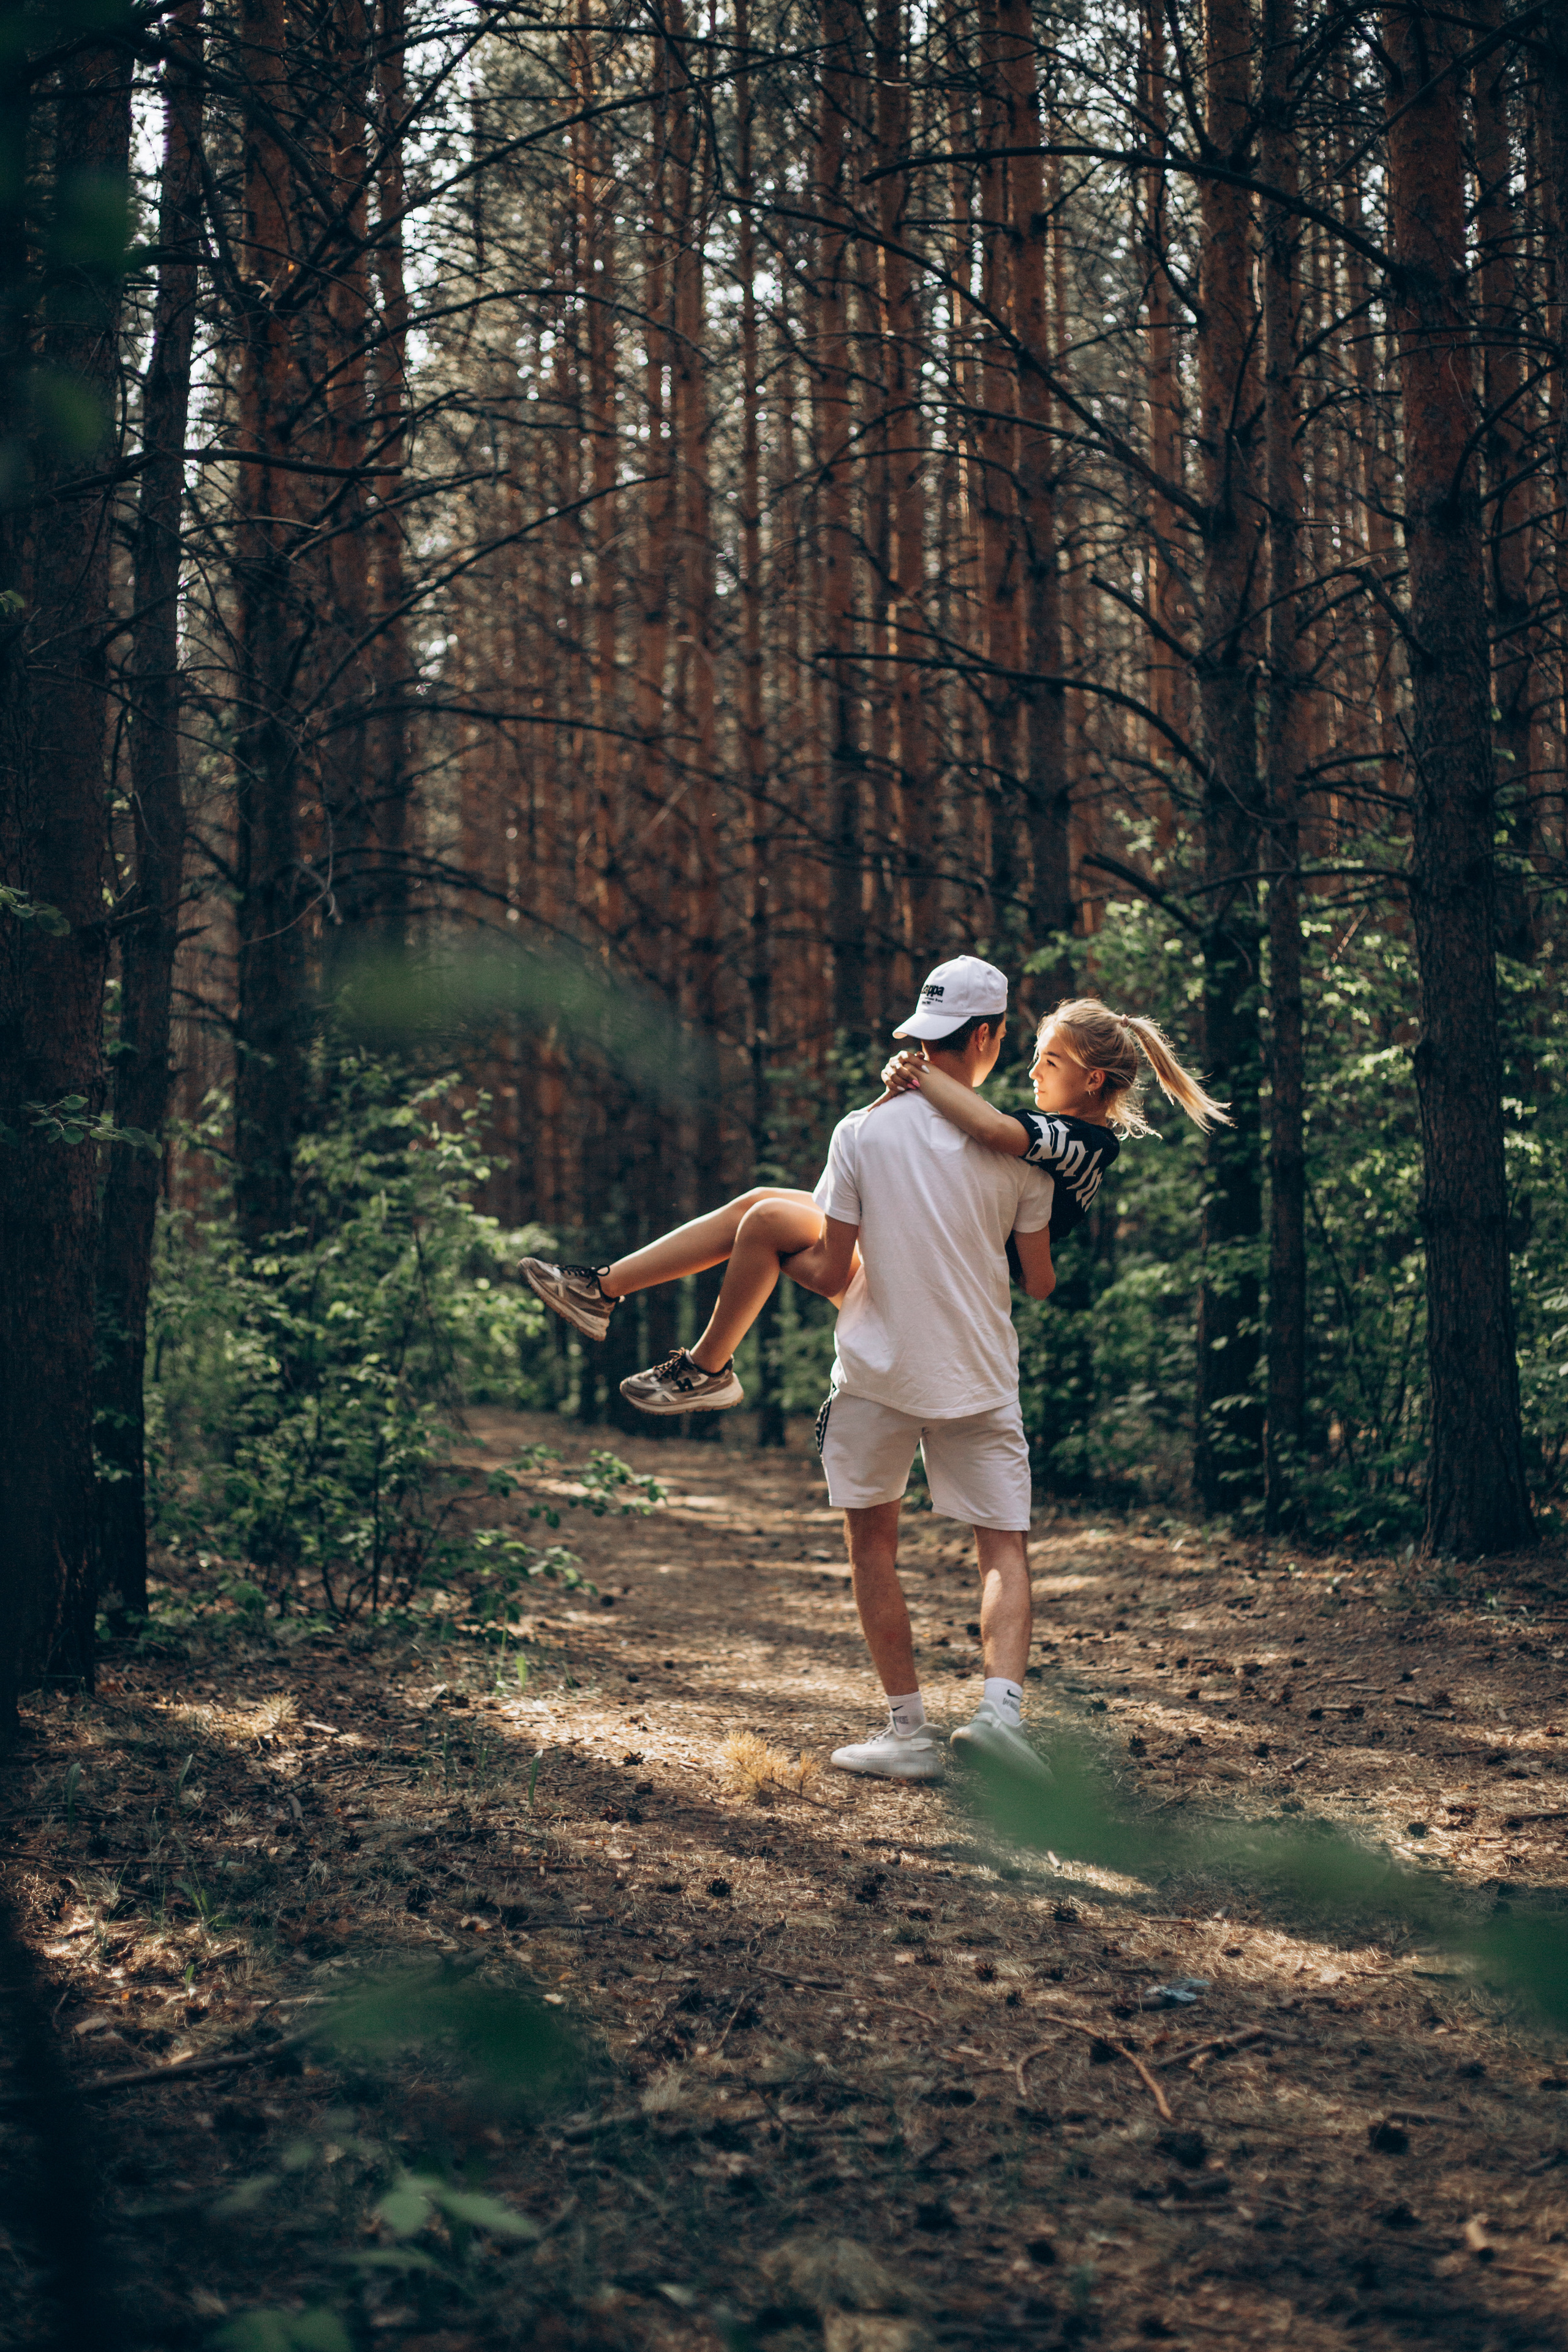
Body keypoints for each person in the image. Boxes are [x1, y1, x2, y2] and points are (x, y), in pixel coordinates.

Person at [517, 972, 1140, 1419]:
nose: (1032, 1072)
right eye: (1031, 1054)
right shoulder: (1051, 1132)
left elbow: (990, 1131)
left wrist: (916, 1076)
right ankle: (600, 1289)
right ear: (990, 1037)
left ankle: (707, 1369)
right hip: (923, 1251)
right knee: (757, 1203)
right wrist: (905, 1088)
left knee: (763, 1223)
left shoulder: (1082, 1142)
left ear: (1090, 1081)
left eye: (1049, 1063)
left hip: (941, 1279)